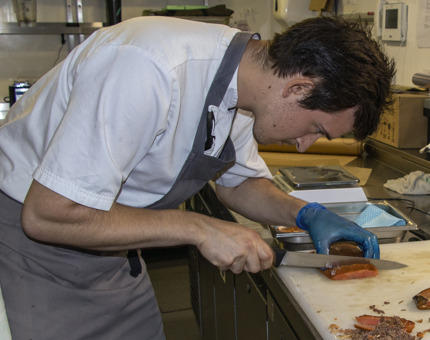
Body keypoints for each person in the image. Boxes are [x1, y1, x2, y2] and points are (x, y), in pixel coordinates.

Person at [0, 15, 394, 339]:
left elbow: (239, 183)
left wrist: (306, 213)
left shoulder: (243, 87)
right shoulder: (148, 66)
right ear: (299, 87)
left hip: (113, 248)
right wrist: (199, 228)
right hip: (34, 252)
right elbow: (48, 214)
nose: (306, 145)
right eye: (317, 130)